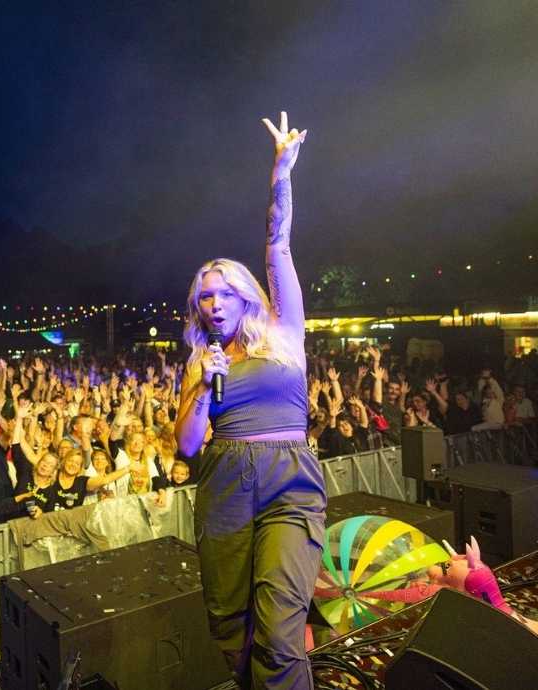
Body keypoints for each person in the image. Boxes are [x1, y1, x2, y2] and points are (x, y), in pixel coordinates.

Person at [175, 112, 325, 689]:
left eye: (222, 294)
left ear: (244, 296)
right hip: (225, 483)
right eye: (203, 298)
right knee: (231, 628)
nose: (213, 305)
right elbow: (188, 447)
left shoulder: (285, 332)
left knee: (280, 633)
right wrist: (200, 388)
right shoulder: (200, 361)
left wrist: (281, 173)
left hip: (289, 479)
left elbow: (278, 245)